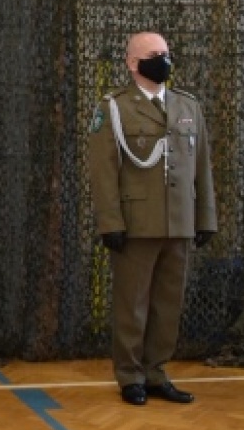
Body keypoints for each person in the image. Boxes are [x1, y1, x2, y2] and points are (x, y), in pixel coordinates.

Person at [86, 31, 215, 406]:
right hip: (137, 223)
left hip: (179, 222)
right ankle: (130, 375)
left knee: (167, 303)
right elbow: (104, 172)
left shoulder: (187, 107)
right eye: (154, 54)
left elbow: (202, 166)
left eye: (166, 53)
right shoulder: (113, 108)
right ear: (132, 63)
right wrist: (110, 222)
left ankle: (156, 372)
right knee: (133, 303)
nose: (163, 60)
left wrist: (205, 217)